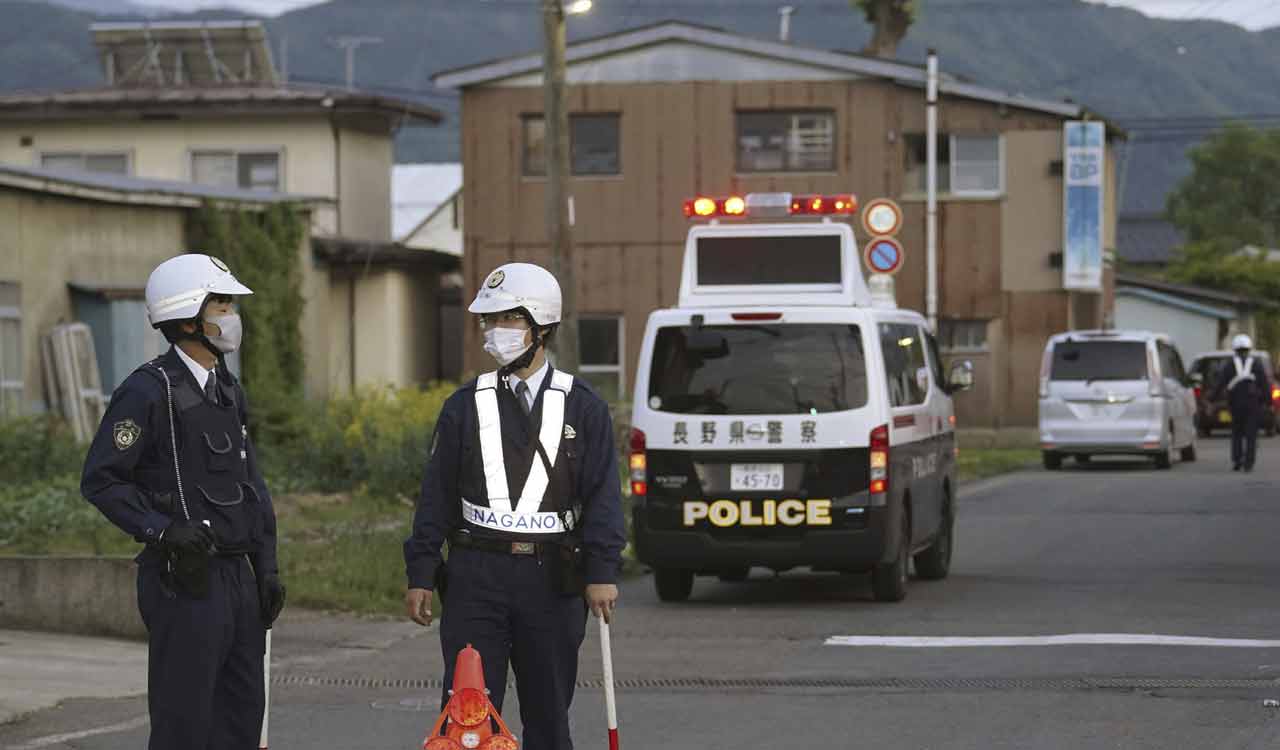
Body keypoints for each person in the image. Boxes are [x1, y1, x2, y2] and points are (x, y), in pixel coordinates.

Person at [404, 262, 626, 750]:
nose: (494, 332)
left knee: (548, 714)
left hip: (552, 578)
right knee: (468, 715)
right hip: (474, 576)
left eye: (507, 319)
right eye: (489, 320)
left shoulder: (582, 404)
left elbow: (603, 493)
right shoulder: (465, 404)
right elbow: (435, 494)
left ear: (541, 326)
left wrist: (602, 570)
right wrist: (421, 570)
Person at [81, 253, 286, 750]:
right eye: (222, 303)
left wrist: (268, 566)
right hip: (186, 580)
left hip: (239, 578)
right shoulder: (147, 391)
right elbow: (102, 480)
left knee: (241, 720)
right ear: (188, 316)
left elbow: (250, 488)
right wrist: (161, 529)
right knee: (185, 726)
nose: (231, 315)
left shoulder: (227, 390)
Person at [1212, 333, 1271, 473]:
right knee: (1251, 434)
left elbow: (1220, 384)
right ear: (1249, 348)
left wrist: (1211, 399)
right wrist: (1268, 402)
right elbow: (1264, 384)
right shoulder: (1256, 363)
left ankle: (1237, 460)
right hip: (1253, 405)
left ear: (1235, 349)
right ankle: (1249, 463)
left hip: (1235, 404)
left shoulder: (1229, 364)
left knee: (1237, 433)